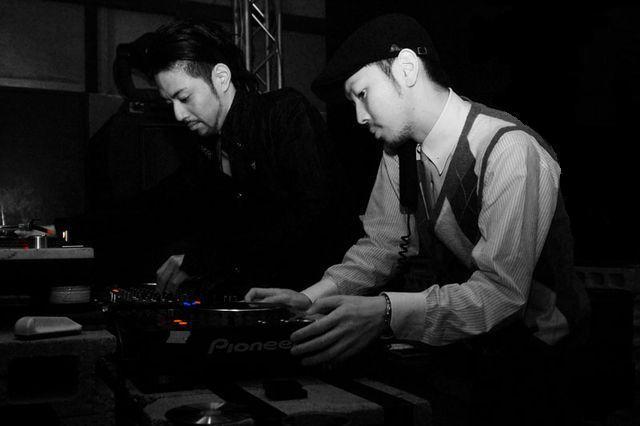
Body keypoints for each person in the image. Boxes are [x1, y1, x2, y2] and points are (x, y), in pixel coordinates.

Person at [246, 13, 590, 425]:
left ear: (407, 68)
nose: (359, 116)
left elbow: (502, 294)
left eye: (362, 94)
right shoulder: (400, 151)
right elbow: (381, 245)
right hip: (476, 351)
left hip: (542, 355)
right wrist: (310, 298)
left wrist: (385, 312)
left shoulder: (509, 149)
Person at [133, 19, 358, 297]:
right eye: (171, 103)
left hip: (323, 300)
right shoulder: (206, 150)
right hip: (264, 302)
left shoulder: (284, 113)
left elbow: (315, 216)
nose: (178, 114)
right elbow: (160, 207)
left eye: (185, 97)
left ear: (221, 77)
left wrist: (203, 259)